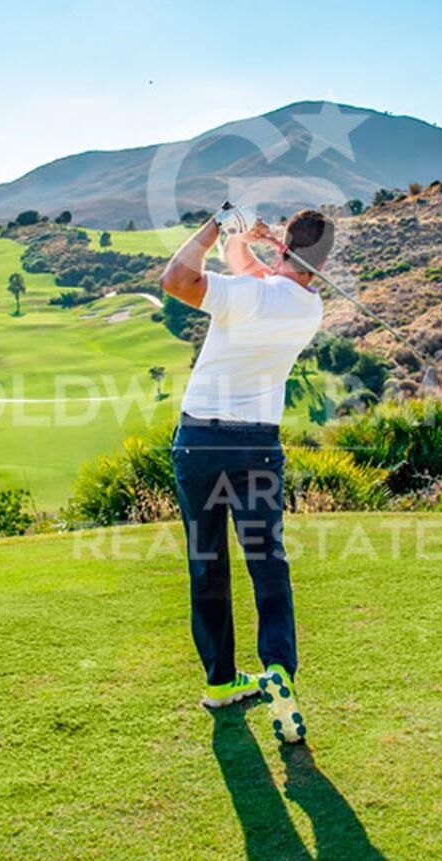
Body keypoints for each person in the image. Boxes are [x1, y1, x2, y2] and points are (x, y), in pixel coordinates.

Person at [159, 204, 335, 744]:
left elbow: (176, 280)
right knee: (267, 559)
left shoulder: (248, 296)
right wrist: (251, 240)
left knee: (206, 561)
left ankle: (219, 681)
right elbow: (255, 274)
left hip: (201, 442)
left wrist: (218, 226)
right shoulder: (310, 307)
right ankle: (277, 667)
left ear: (285, 248)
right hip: (257, 445)